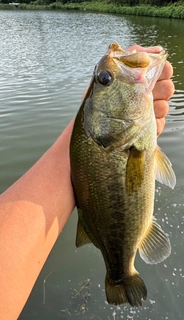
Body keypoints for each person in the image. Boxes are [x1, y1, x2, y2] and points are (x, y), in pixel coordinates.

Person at [0, 44, 174, 319]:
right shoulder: (112, 136)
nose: (107, 77)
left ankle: (118, 273)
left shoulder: (112, 135)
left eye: (105, 79)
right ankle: (120, 275)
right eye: (105, 80)